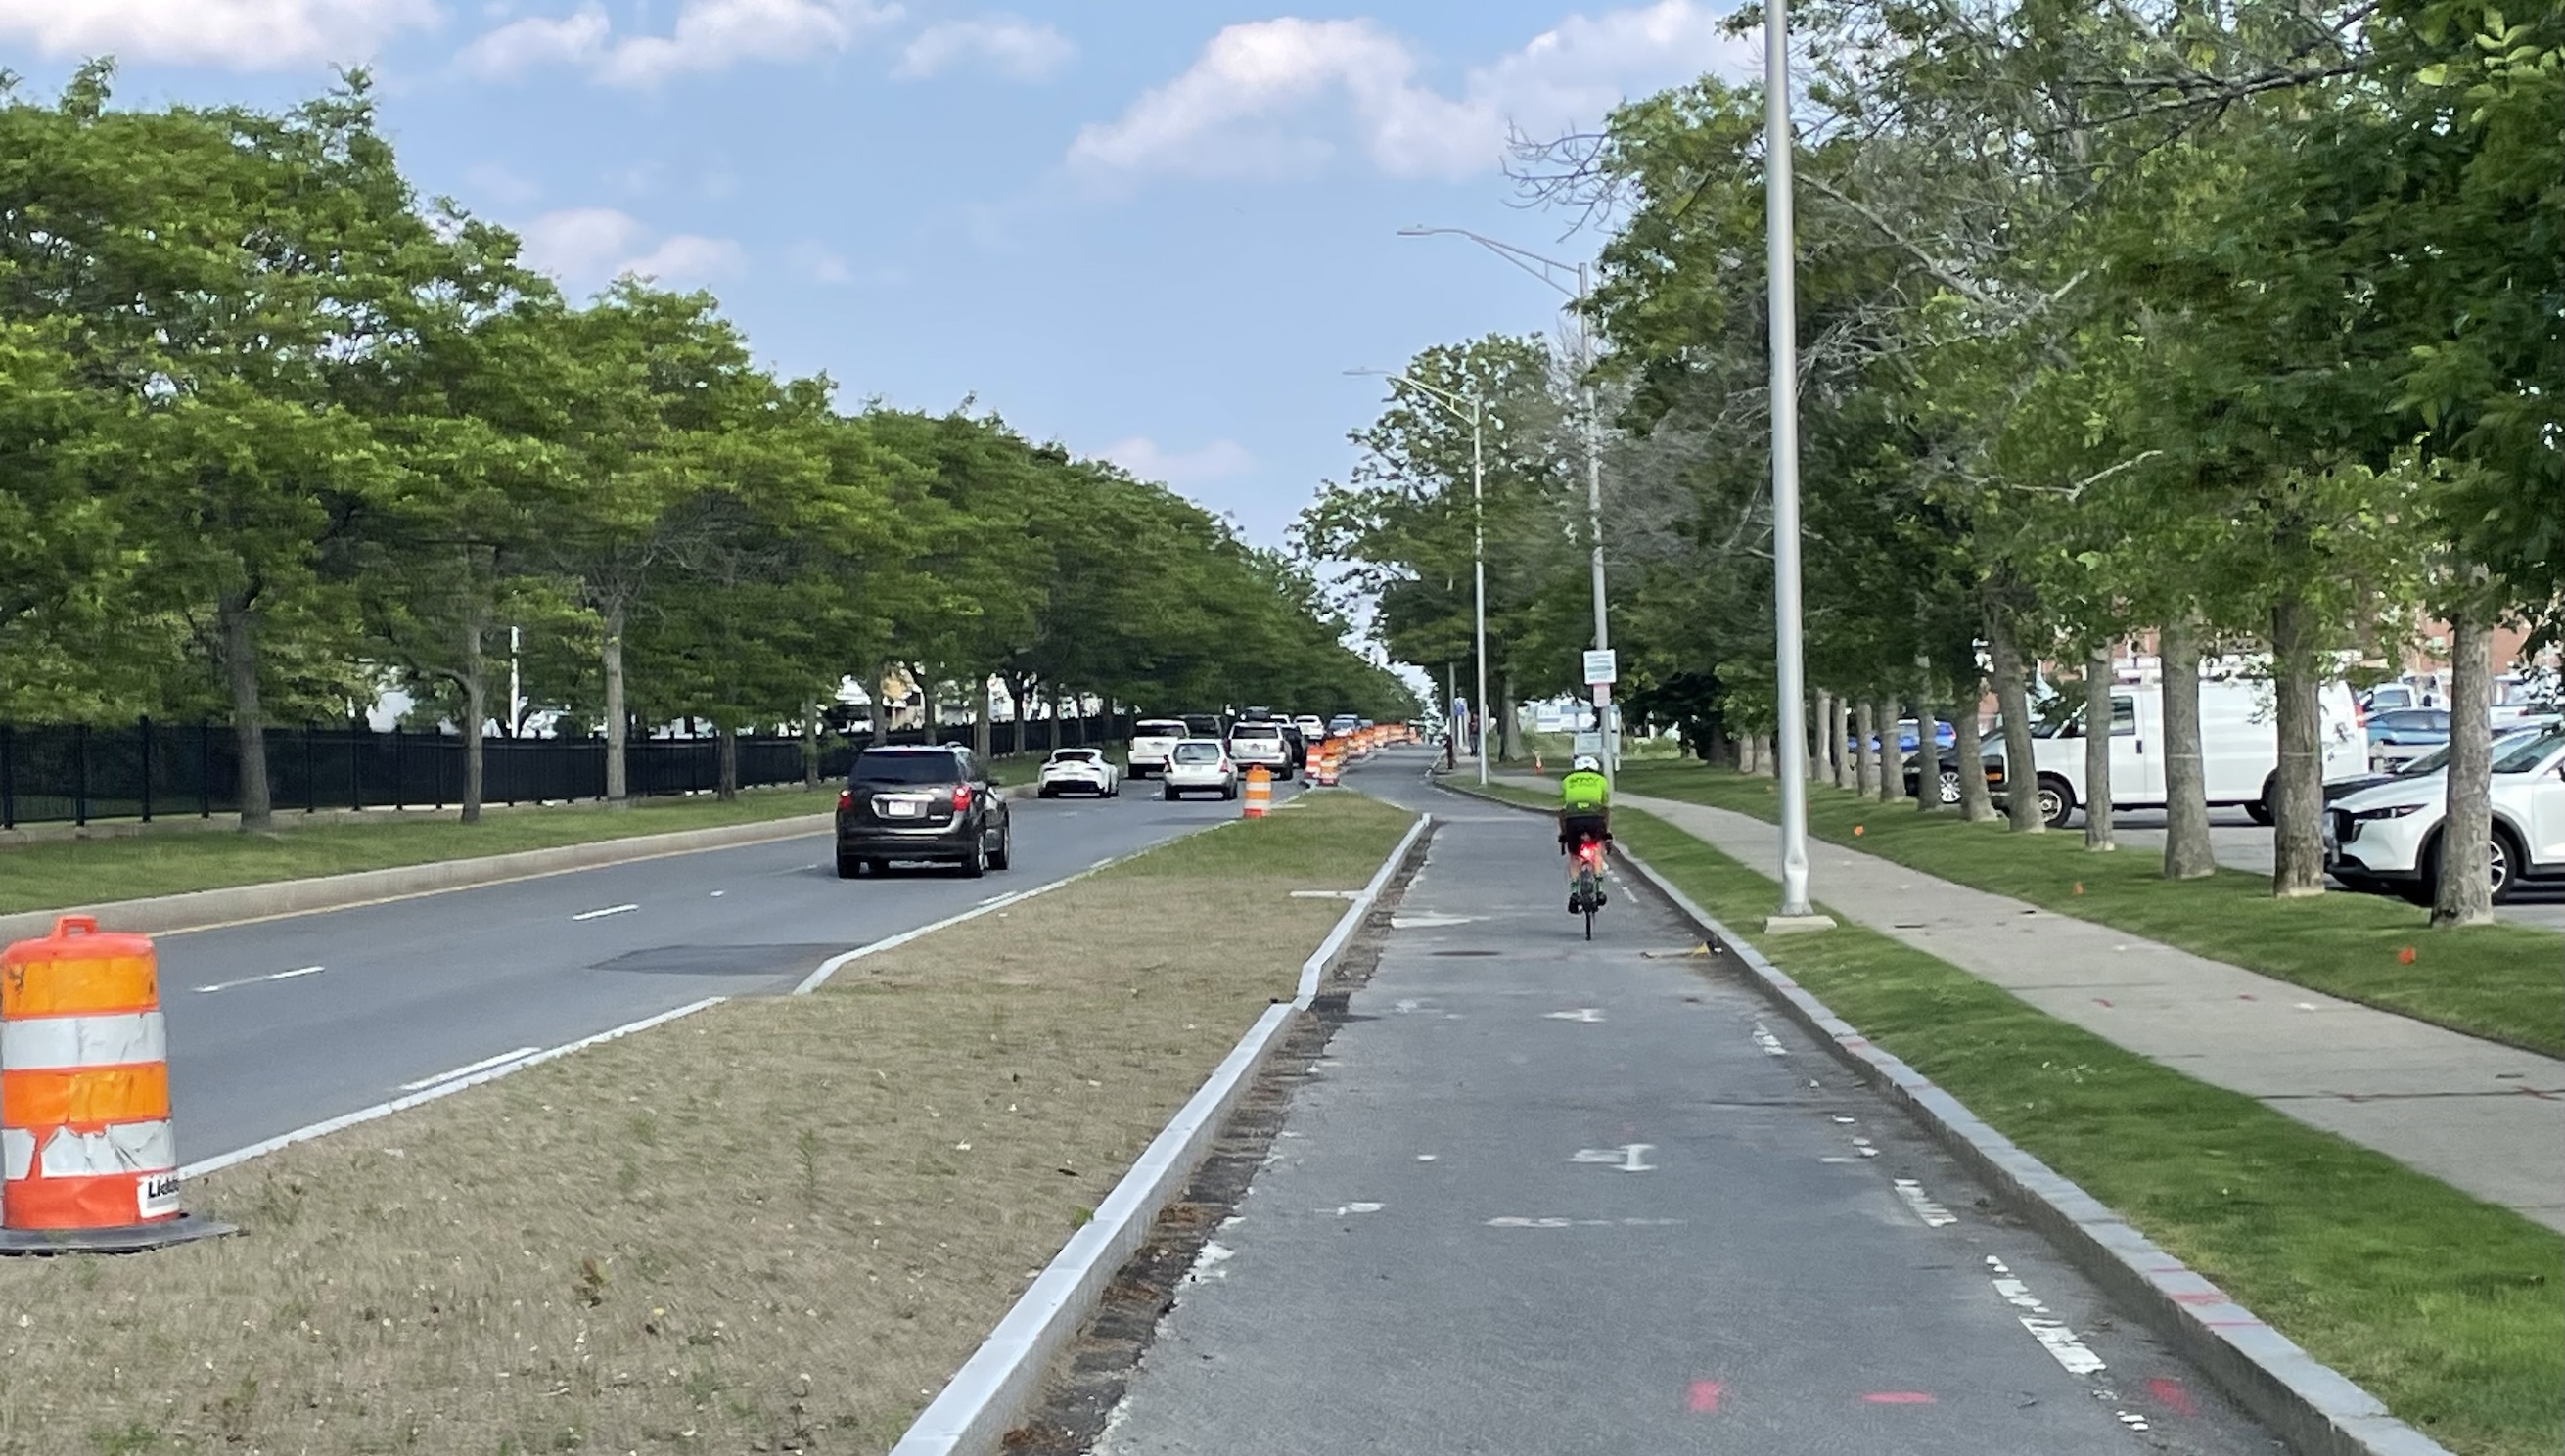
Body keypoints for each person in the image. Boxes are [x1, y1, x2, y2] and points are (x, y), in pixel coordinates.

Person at [1557, 753, 1611, 913]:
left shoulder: (1567, 781)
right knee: (1596, 850)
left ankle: (1574, 893)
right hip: (1594, 819)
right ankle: (1600, 888)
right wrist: (1606, 833)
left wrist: (1563, 834)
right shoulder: (1601, 781)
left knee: (1574, 857)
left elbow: (1563, 809)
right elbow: (1604, 807)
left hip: (1573, 820)